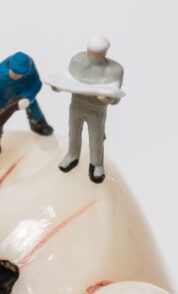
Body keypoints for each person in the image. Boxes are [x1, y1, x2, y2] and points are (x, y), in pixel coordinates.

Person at [54, 36, 124, 184]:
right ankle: (72, 155)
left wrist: (107, 99)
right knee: (73, 132)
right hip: (76, 104)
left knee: (96, 138)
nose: (92, 55)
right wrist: (58, 86)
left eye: (96, 53)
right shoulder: (78, 61)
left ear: (105, 52)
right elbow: (68, 79)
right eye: (91, 52)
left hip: (96, 110)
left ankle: (97, 164)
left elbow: (116, 96)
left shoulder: (113, 71)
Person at [0, 52, 54, 156]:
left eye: (19, 73)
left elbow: (36, 83)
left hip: (21, 94)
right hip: (1, 98)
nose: (15, 75)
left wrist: (27, 97)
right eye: (14, 71)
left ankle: (38, 124)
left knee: (34, 107)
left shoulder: (30, 68)